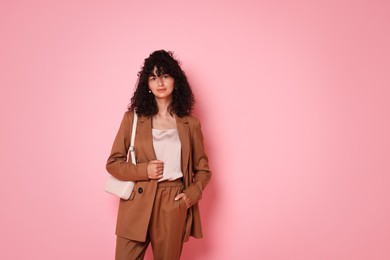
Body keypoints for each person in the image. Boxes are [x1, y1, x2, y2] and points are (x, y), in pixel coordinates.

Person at [106, 50, 212, 260]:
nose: (160, 82)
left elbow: (203, 170)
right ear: (147, 83)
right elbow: (113, 163)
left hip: (172, 201)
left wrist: (190, 196)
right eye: (153, 77)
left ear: (175, 80)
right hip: (137, 199)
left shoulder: (190, 124)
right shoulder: (132, 119)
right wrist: (144, 170)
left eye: (165, 76)